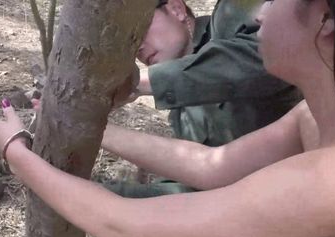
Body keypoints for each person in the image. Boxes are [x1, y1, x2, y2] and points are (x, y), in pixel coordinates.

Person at [0, 0, 335, 237]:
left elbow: (124, 226)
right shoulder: (323, 121)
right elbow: (211, 165)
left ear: (326, 19)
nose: (261, 14)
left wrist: (16, 154)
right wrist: (94, 128)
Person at [107, 0, 302, 199]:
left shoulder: (229, 17)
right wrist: (106, 196)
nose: (138, 47)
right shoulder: (181, 110)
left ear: (176, 9)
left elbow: (271, 57)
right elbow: (199, 186)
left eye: (140, 29)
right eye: (130, 43)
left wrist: (142, 82)